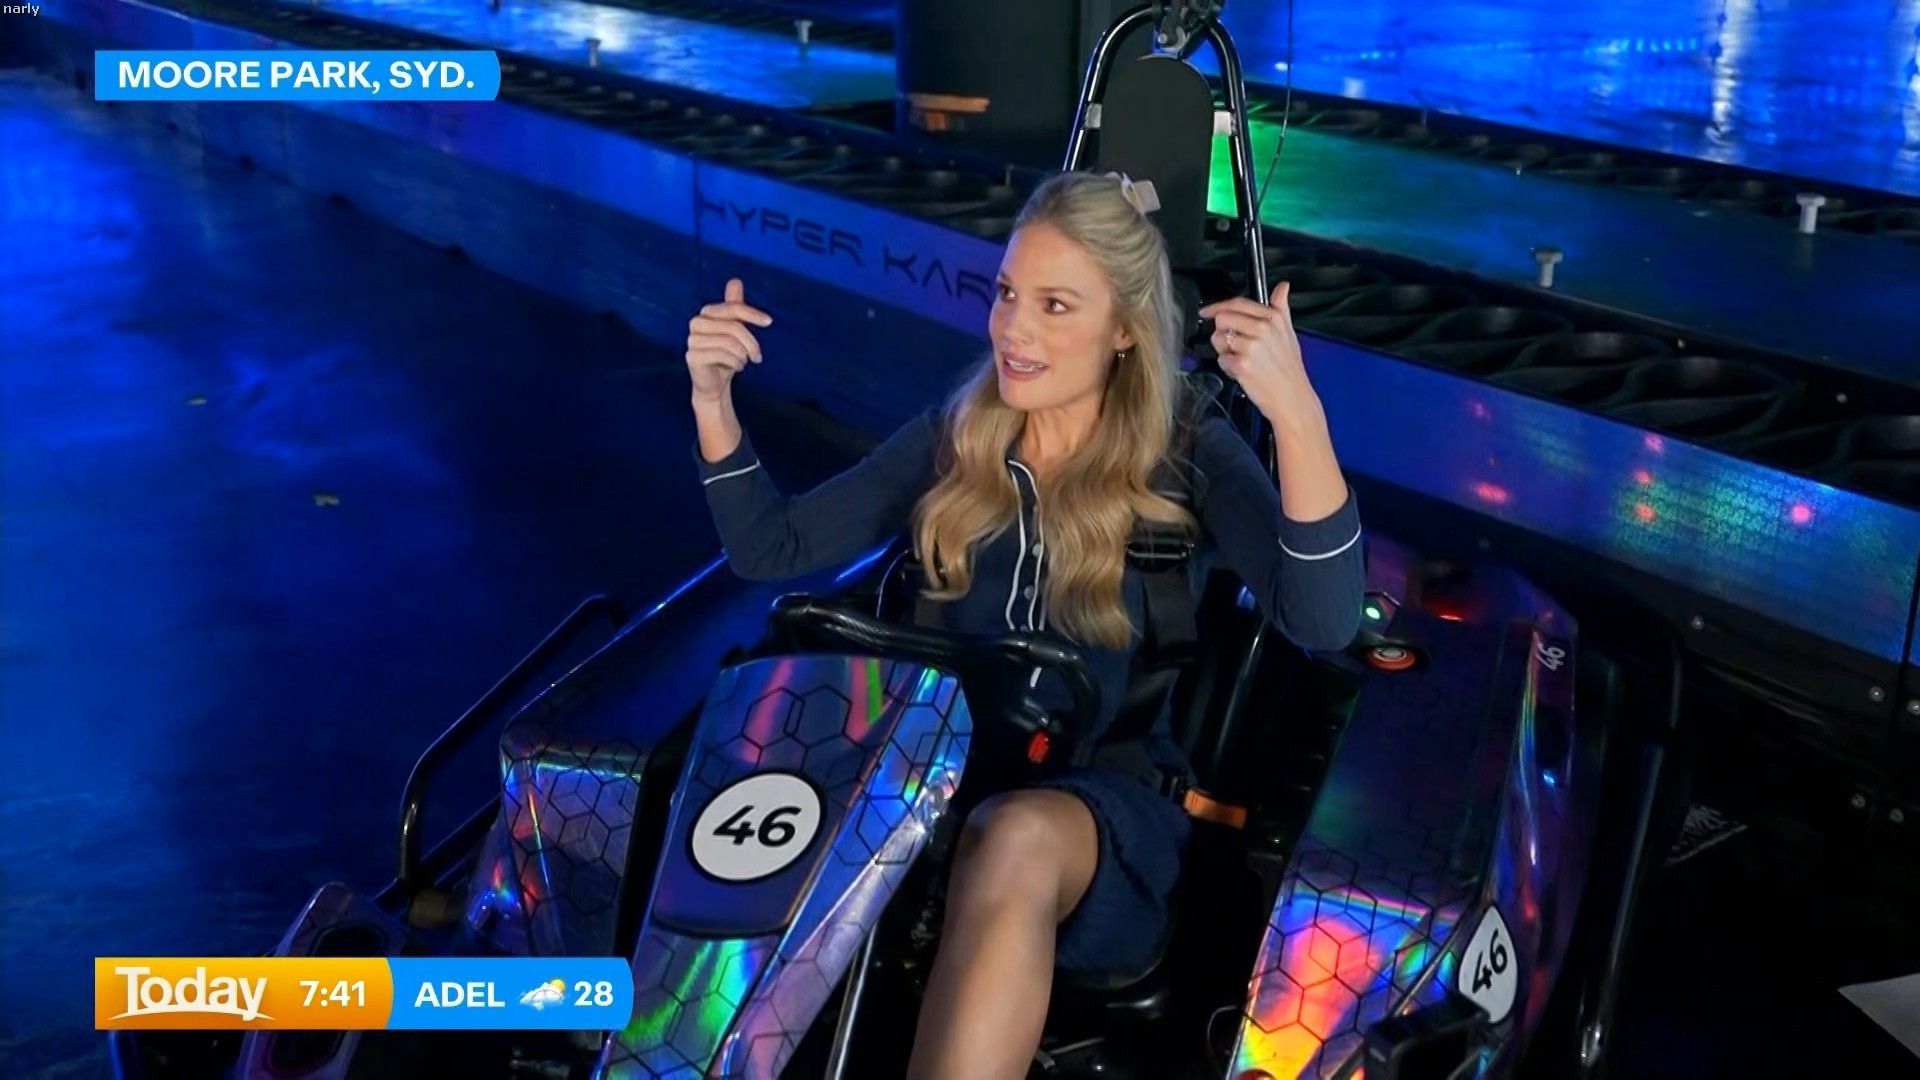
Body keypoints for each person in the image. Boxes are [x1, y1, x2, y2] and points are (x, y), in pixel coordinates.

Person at [684, 170, 1363, 1079]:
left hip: (1099, 814)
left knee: (1013, 836)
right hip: (921, 788)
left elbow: (1322, 618)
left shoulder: (1187, 448)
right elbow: (774, 545)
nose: (1013, 328)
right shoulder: (959, 435)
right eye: (1007, 294)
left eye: (1054, 305)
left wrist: (1297, 414)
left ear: (1124, 328)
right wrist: (713, 400)